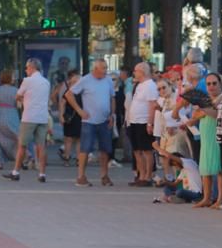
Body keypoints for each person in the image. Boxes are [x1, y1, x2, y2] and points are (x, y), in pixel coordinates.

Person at [66, 58, 116, 187]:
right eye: (103, 69)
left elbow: (112, 98)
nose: (105, 71)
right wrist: (79, 110)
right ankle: (81, 176)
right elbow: (69, 95)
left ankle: (104, 176)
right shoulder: (86, 80)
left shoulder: (108, 80)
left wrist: (112, 114)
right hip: (89, 121)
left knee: (105, 149)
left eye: (106, 68)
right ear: (95, 69)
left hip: (104, 120)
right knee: (85, 149)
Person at [3, 58, 51, 183]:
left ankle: (16, 172)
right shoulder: (46, 82)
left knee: (22, 145)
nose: (25, 70)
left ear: (32, 67)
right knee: (41, 146)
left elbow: (18, 95)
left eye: (26, 67)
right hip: (42, 117)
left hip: (29, 117)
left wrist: (23, 99)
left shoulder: (27, 81)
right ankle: (42, 174)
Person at [190, 72, 222, 208]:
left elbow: (216, 114)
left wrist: (203, 110)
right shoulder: (205, 99)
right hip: (205, 133)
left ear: (220, 84)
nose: (211, 86)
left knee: (218, 166)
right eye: (208, 84)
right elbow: (196, 115)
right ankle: (206, 197)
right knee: (204, 164)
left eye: (214, 83)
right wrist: (203, 110)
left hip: (216, 132)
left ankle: (220, 198)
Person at [126, 61, 158, 186]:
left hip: (143, 121)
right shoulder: (139, 85)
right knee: (137, 150)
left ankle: (148, 176)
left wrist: (150, 123)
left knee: (146, 150)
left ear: (142, 72)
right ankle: (141, 174)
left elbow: (152, 105)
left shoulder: (150, 86)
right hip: (134, 121)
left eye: (136, 71)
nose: (134, 73)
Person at [0, 69, 19, 170]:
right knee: (17, 138)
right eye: (13, 76)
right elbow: (19, 105)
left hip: (0, 115)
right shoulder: (16, 90)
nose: (14, 78)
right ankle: (21, 159)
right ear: (9, 78)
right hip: (13, 115)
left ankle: (0, 162)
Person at [59, 70, 82, 166]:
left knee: (75, 139)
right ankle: (71, 158)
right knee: (71, 139)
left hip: (76, 117)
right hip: (72, 117)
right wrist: (61, 115)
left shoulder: (79, 91)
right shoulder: (70, 92)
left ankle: (74, 158)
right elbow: (62, 103)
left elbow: (62, 104)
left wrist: (61, 115)